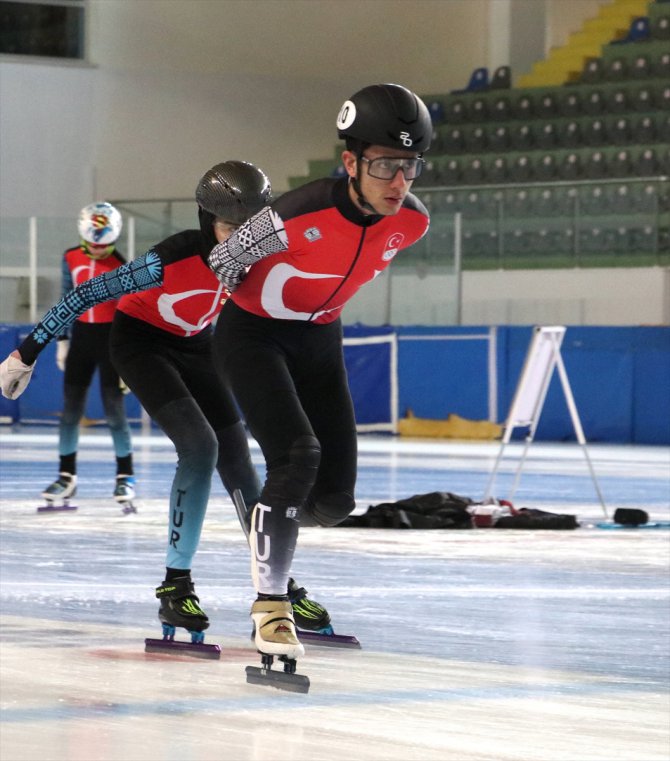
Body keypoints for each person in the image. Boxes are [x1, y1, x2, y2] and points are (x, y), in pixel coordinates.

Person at [0, 161, 331, 643]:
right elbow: (86, 294)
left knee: (238, 455)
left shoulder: (262, 258)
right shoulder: (170, 258)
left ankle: (277, 586)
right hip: (140, 344)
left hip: (197, 346)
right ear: (205, 221)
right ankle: (175, 587)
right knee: (200, 447)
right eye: (229, 228)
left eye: (250, 229)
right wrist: (25, 354)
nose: (240, 241)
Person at [205, 83, 432, 662]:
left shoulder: (412, 223)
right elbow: (223, 259)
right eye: (384, 165)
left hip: (318, 339)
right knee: (298, 455)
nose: (398, 183)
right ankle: (271, 607)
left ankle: (269, 515)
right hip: (253, 335)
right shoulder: (296, 211)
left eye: (409, 167)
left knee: (333, 500)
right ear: (350, 162)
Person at [41, 202, 135, 508]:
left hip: (111, 342)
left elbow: (129, 311)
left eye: (105, 246)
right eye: (94, 245)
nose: (98, 251)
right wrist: (62, 339)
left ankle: (125, 477)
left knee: (114, 413)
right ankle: (66, 476)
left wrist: (128, 353)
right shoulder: (70, 257)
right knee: (70, 412)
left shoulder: (122, 265)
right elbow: (67, 297)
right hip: (81, 339)